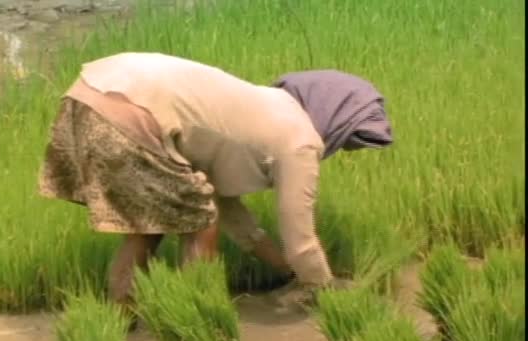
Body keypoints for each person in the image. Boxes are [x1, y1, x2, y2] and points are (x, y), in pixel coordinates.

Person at [38, 52, 393, 309]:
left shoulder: (264, 109)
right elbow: (301, 242)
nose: (341, 149)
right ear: (336, 119)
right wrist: (326, 289)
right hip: (132, 105)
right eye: (348, 142)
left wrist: (287, 270)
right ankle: (200, 313)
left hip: (90, 92)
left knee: (149, 226)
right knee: (200, 220)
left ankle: (121, 319)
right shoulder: (298, 140)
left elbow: (237, 219)